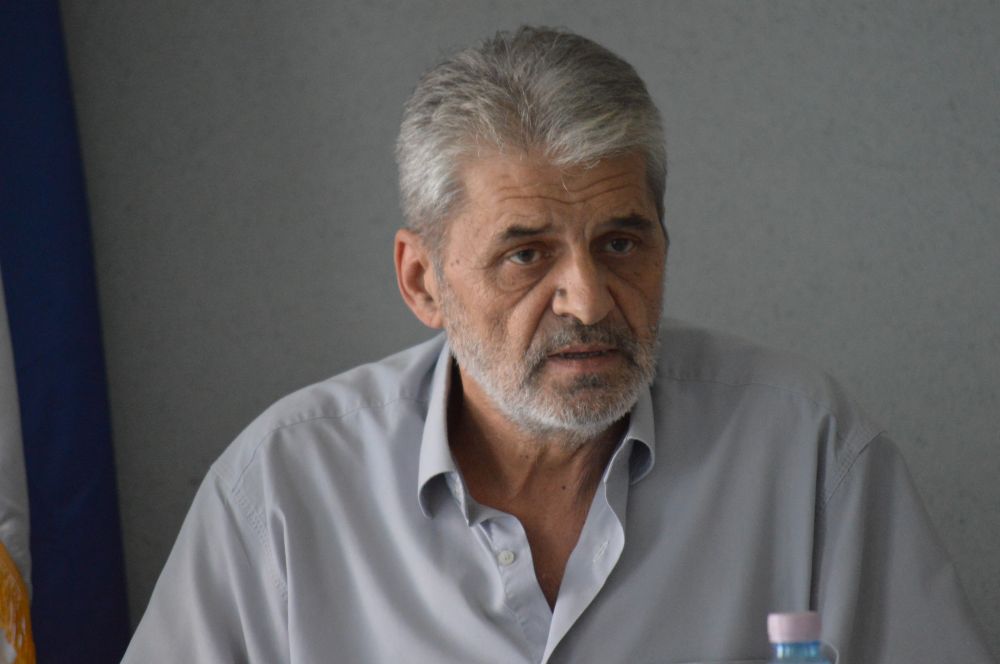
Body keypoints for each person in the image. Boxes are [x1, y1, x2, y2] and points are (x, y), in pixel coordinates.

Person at [123, 26, 993, 663]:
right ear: (423, 281)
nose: (588, 299)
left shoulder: (810, 454)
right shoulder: (280, 490)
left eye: (620, 242)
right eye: (527, 254)